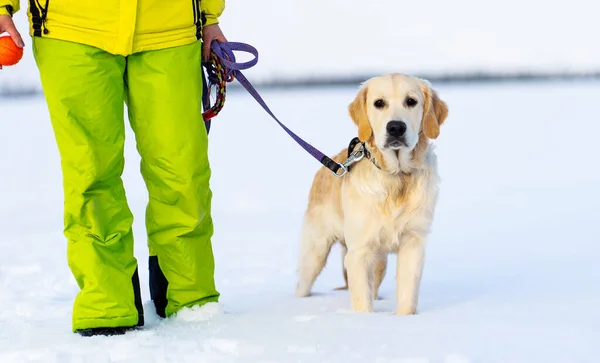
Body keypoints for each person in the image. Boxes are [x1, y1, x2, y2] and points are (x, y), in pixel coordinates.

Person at [0, 0, 226, 336]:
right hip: (69, 28)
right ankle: (107, 299)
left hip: (171, 26)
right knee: (90, 172)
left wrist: (208, 17)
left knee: (183, 171)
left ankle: (190, 292)